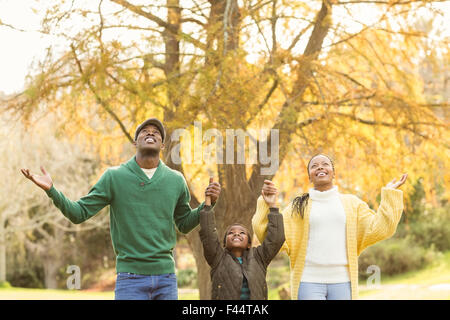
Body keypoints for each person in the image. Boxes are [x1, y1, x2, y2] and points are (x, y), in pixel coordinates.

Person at [21, 118, 221, 300]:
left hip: (166, 278)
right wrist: (51, 190)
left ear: (162, 144)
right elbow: (78, 213)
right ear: (135, 143)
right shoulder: (114, 177)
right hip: (130, 279)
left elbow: (184, 224)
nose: (150, 133)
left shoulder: (175, 180)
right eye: (144, 131)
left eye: (156, 132)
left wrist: (207, 204)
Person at [252, 154, 407, 300]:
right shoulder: (297, 207)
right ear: (310, 176)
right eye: (314, 166)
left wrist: (389, 195)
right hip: (308, 280)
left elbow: (379, 228)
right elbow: (272, 237)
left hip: (343, 281)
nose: (320, 167)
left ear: (333, 173)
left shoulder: (353, 204)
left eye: (325, 164)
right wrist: (268, 204)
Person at [199, 178, 285, 300]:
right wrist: (208, 205)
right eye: (231, 233)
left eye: (242, 233)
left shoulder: (259, 257)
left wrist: (272, 205)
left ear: (249, 243)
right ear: (224, 243)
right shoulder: (217, 257)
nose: (236, 234)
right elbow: (208, 234)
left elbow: (276, 238)